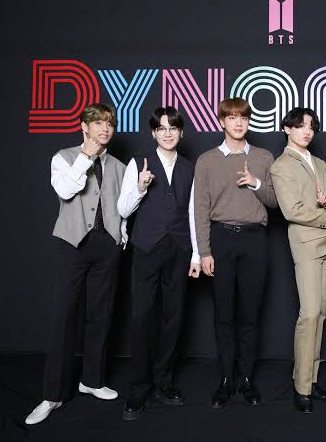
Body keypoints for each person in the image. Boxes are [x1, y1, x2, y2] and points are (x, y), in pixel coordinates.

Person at [25, 103, 126, 425]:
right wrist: (86, 156)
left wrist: (121, 235)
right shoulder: (63, 157)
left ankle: (92, 380)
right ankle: (52, 395)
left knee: (101, 315)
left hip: (107, 246)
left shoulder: (119, 165)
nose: (105, 129)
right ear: (84, 126)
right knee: (65, 317)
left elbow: (122, 207)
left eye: (109, 123)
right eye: (98, 123)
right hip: (73, 244)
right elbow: (66, 190)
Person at [193, 97, 278, 408]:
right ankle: (226, 379)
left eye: (243, 117)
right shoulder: (206, 160)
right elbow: (200, 209)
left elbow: (276, 201)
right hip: (221, 238)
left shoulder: (264, 157)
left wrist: (255, 183)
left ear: (249, 121)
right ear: (221, 122)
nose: (238, 122)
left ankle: (246, 379)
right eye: (231, 117)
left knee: (250, 315)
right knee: (224, 314)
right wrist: (204, 251)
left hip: (255, 240)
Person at [117, 107, 201, 420]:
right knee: (141, 317)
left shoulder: (190, 167)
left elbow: (193, 213)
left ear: (181, 132)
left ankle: (164, 380)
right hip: (147, 248)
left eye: (173, 128)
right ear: (154, 133)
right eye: (162, 128)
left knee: (173, 317)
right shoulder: (138, 162)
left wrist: (196, 254)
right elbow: (122, 209)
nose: (168, 133)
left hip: (179, 249)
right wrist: (140, 187)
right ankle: (139, 386)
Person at [270, 108, 326, 413]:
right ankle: (301, 388)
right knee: (310, 313)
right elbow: (292, 211)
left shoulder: (320, 163)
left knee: (322, 313)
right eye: (300, 126)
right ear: (287, 129)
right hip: (307, 246)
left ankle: (311, 380)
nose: (307, 131)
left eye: (311, 127)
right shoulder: (281, 166)